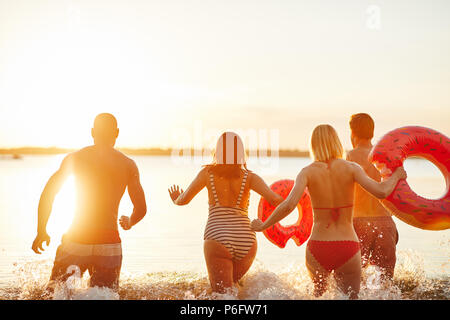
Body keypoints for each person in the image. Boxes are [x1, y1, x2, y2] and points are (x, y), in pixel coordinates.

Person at [251, 124, 406, 299]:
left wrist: (264, 225)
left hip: (318, 246)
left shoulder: (307, 172)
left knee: (318, 295)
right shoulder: (351, 168)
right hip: (347, 246)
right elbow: (382, 191)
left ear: (314, 145)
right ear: (336, 142)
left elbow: (288, 205)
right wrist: (397, 176)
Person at [31, 113, 147, 290]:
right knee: (104, 295)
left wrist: (41, 230)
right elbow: (141, 208)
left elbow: (49, 193)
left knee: (56, 292)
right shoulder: (128, 164)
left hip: (78, 237)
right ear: (116, 133)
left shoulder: (75, 158)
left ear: (92, 132)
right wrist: (130, 221)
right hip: (109, 242)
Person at [168, 132, 283, 293]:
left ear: (218, 151)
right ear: (242, 153)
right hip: (246, 240)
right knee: (233, 289)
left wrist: (175, 199)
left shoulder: (207, 174)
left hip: (218, 237)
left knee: (222, 294)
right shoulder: (250, 177)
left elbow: (183, 200)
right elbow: (276, 200)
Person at [347, 113, 399, 280]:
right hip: (385, 223)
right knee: (385, 282)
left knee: (353, 280)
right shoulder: (384, 154)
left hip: (359, 224)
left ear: (352, 133)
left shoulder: (350, 156)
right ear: (372, 132)